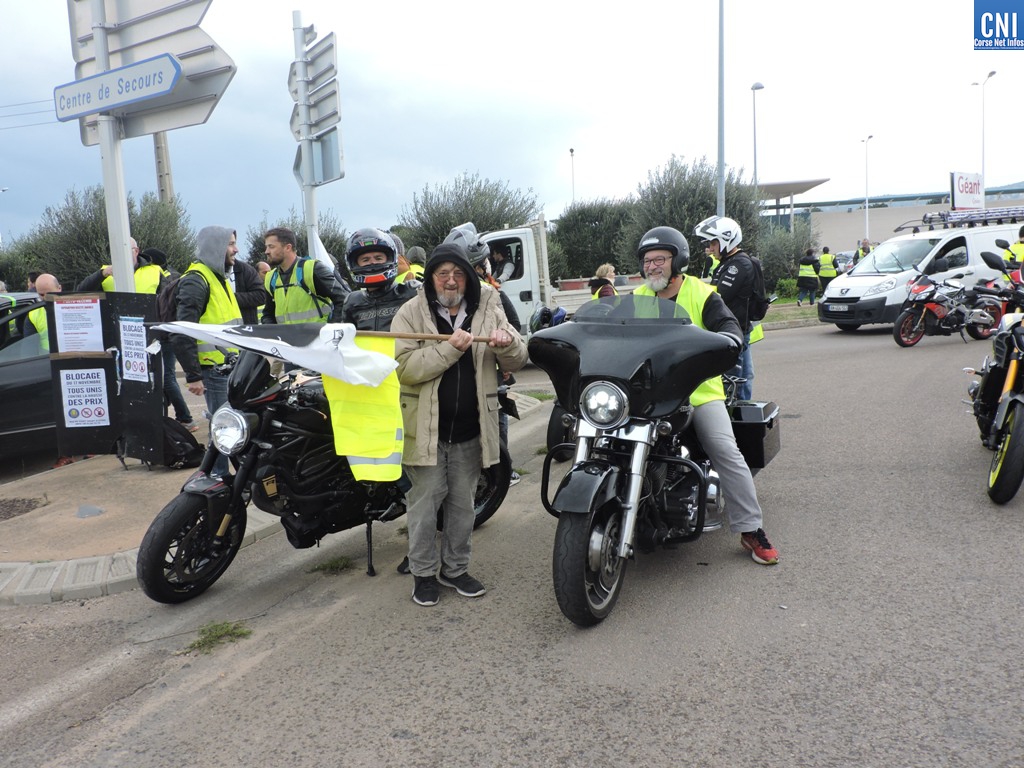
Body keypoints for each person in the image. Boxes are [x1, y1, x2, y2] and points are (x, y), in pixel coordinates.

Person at [391, 241, 528, 606]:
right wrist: (450, 349)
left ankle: (455, 569)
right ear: (431, 278)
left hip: (471, 428)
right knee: (424, 507)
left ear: (468, 276)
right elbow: (404, 369)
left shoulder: (488, 304)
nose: (450, 281)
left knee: (463, 506)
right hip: (426, 431)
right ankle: (423, 574)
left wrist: (506, 344)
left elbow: (516, 359)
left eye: (457, 274)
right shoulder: (410, 312)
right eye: (442, 274)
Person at [634, 226, 779, 566]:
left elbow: (728, 326)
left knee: (725, 450)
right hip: (648, 394)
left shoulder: (703, 293)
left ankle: (750, 528)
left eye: (660, 259)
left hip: (698, 391)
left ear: (677, 261)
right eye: (648, 260)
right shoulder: (637, 298)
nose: (652, 266)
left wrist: (729, 340)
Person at [444, 223, 523, 487]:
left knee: (493, 416)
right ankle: (499, 471)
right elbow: (515, 323)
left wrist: (504, 350)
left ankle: (500, 470)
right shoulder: (486, 291)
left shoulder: (486, 294)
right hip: (479, 371)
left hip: (486, 370)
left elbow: (511, 328)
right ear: (479, 264)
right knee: (493, 417)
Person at [171, 226, 242, 478]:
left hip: (227, 366)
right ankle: (217, 477)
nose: (236, 249)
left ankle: (228, 476)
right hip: (214, 370)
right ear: (216, 246)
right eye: (230, 244)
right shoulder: (197, 279)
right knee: (223, 427)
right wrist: (193, 375)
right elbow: (182, 331)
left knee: (230, 425)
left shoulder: (217, 276)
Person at [697, 215, 757, 402]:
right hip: (737, 328)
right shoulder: (729, 262)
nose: (710, 248)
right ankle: (742, 406)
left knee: (734, 380)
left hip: (736, 331)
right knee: (745, 376)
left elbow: (720, 295)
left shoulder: (738, 265)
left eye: (713, 243)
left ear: (726, 239)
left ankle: (736, 410)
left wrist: (695, 289)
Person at [141, 247, 196, 431]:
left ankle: (185, 418)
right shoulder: (174, 275)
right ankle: (179, 416)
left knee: (167, 377)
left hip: (165, 334)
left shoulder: (162, 278)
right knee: (166, 376)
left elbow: (162, 307)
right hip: (168, 332)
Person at [260, 227, 348, 325]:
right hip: (285, 335)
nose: (266, 251)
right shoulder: (270, 278)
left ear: (288, 247)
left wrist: (331, 328)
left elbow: (343, 299)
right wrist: (272, 330)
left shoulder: (313, 269)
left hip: (318, 334)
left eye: (271, 246)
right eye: (266, 247)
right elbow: (268, 314)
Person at [76, 238, 166, 294]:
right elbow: (80, 293)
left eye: (125, 250)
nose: (121, 255)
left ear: (136, 251)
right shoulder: (105, 272)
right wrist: (102, 274)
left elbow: (166, 301)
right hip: (114, 319)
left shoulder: (155, 271)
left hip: (146, 319)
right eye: (117, 251)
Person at [25, 273, 61, 352]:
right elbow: (29, 349)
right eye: (41, 294)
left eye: (49, 293)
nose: (45, 298)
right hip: (46, 357)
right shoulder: (33, 315)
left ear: (59, 288)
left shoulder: (75, 307)